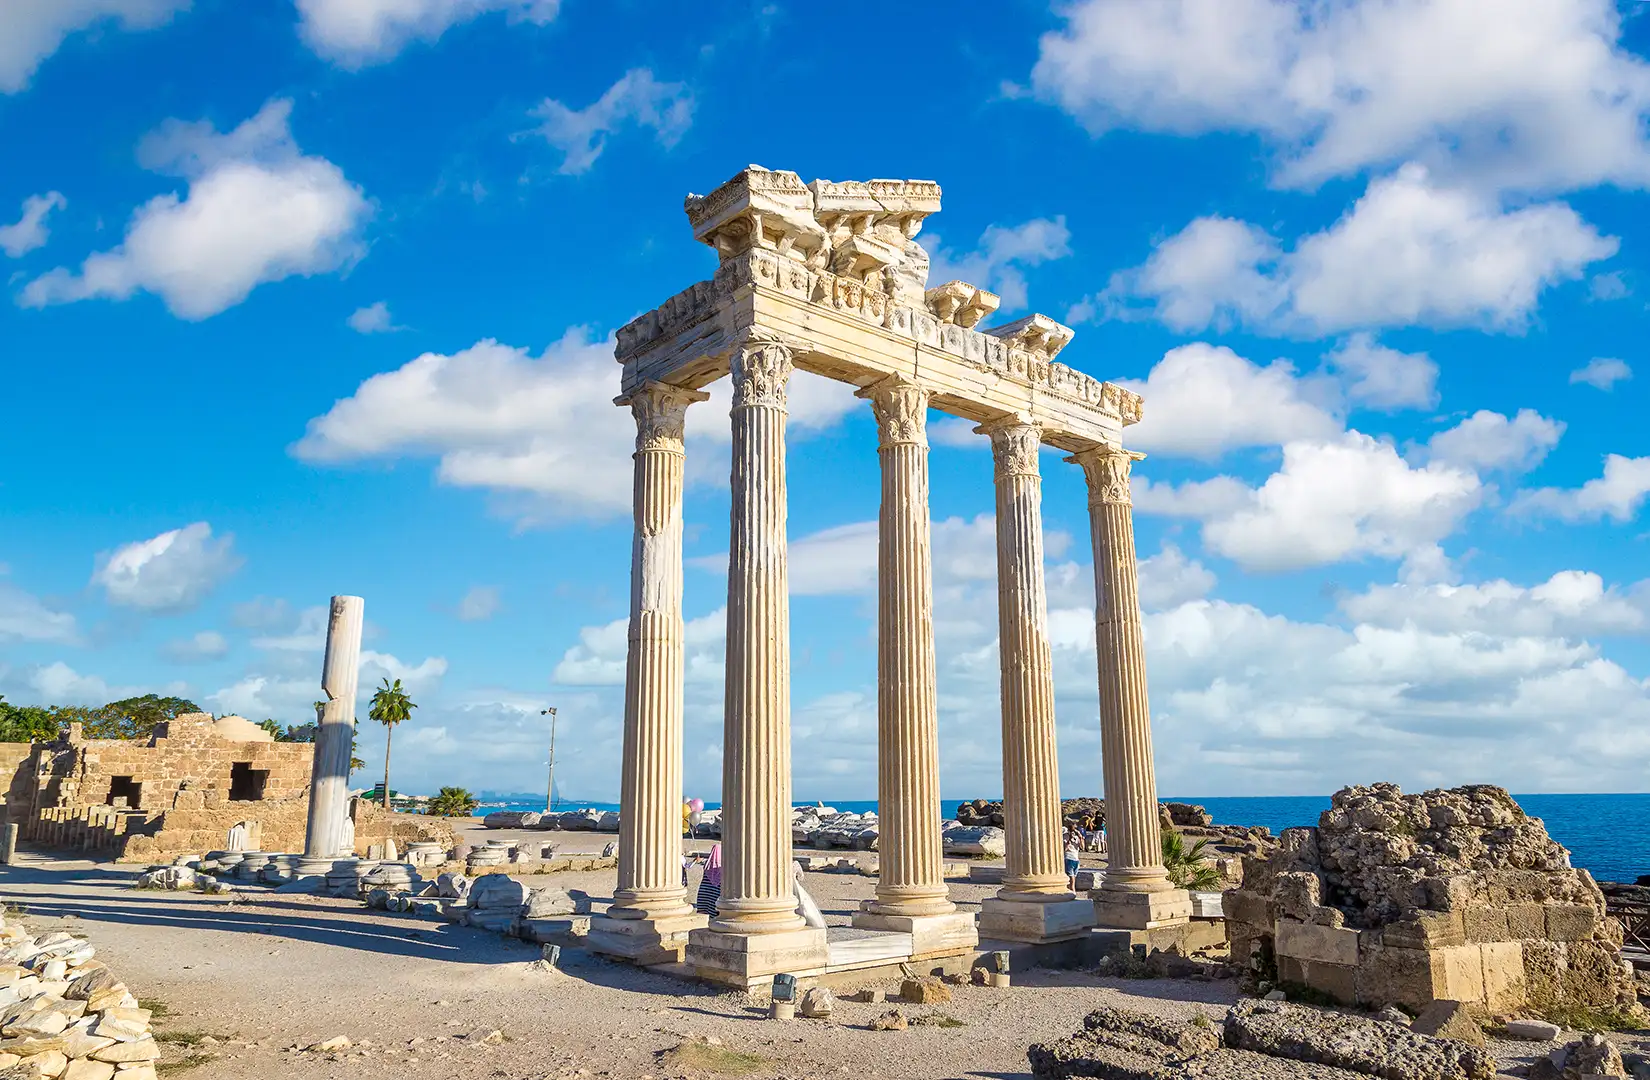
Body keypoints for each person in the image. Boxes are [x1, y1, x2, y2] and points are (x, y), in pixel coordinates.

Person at [694, 843, 722, 916]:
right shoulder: (722, 866)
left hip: (706, 891)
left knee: (709, 911)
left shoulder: (707, 863)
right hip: (717, 892)